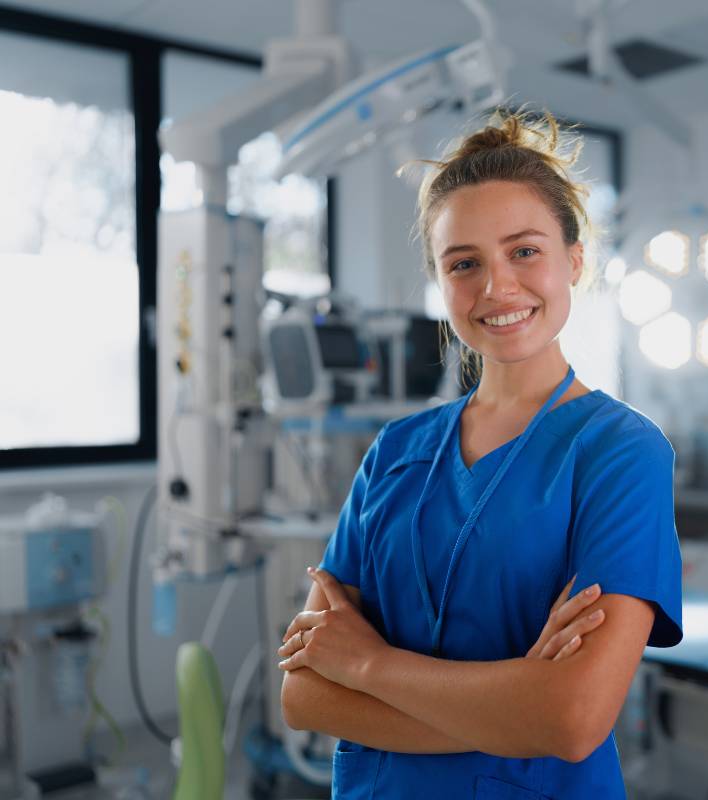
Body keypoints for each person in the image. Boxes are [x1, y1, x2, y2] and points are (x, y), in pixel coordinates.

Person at [276, 109, 684, 799]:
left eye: (524, 250)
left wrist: (371, 668)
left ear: (574, 261)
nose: (496, 286)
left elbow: (575, 718)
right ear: (441, 279)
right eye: (465, 263)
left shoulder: (621, 453)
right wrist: (515, 700)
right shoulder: (397, 452)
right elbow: (305, 697)